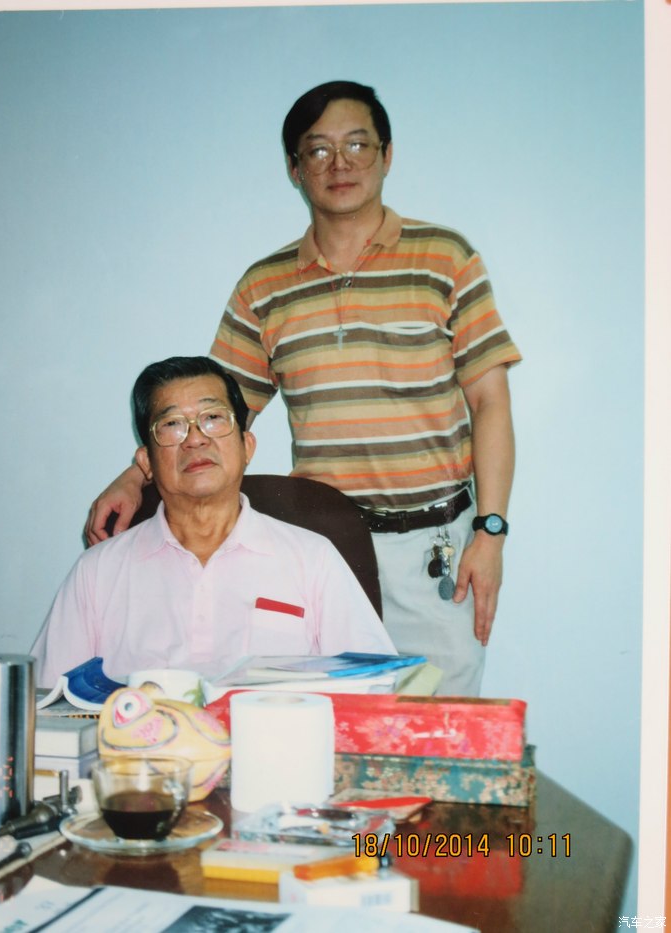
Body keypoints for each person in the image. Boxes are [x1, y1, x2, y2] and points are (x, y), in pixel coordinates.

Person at [85, 81, 521, 697]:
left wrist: (490, 532)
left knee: (431, 732)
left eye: (357, 145)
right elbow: (213, 413)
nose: (340, 164)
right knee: (316, 730)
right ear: (295, 168)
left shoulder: (445, 259)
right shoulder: (264, 286)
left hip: (436, 553)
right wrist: (135, 479)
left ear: (387, 155)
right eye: (318, 150)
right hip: (324, 550)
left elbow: (490, 402)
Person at [33, 356, 396, 686]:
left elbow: (374, 689)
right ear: (146, 463)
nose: (195, 439)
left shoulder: (312, 559)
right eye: (172, 424)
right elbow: (49, 703)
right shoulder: (97, 573)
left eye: (213, 418)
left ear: (247, 446)